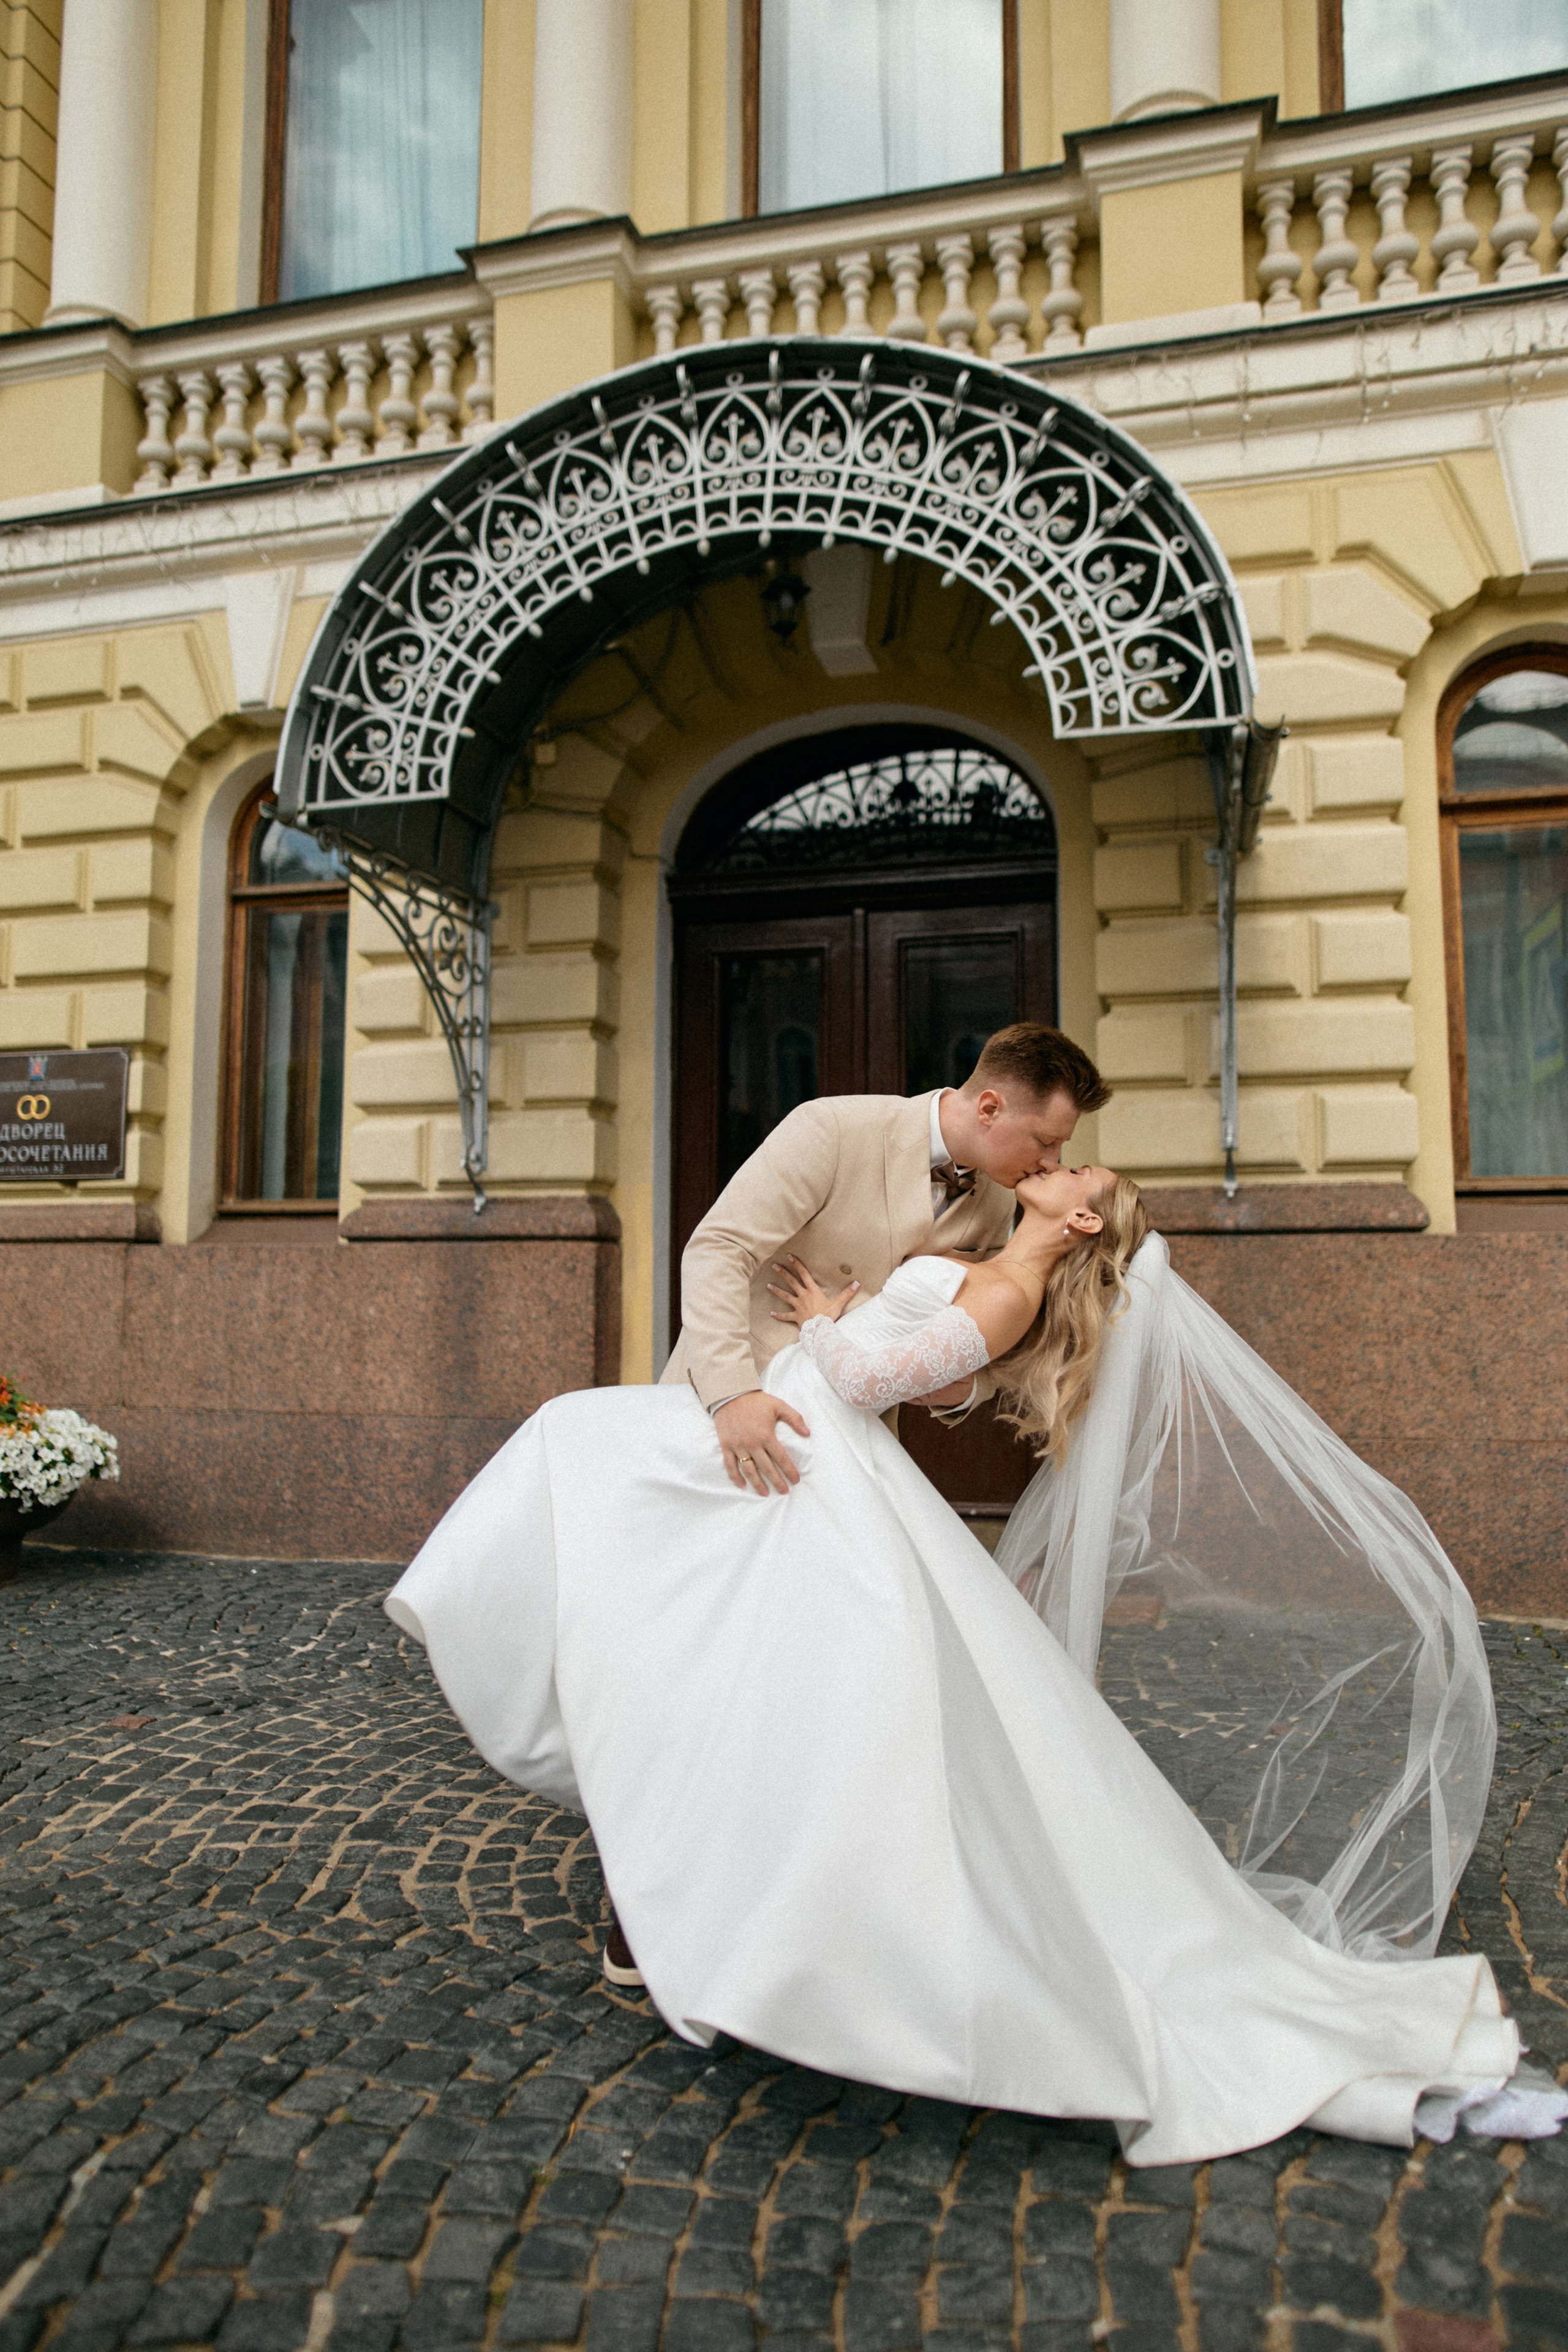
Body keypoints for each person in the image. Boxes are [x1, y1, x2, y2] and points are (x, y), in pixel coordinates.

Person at [386, 1150, 1567, 2166]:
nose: (1058, 1165)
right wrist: (864, 1311)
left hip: (818, 1458)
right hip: (812, 1461)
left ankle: (728, 1909)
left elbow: (869, 1382)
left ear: (1086, 1222)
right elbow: (936, 1374)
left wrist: (829, 1325)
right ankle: (668, 1865)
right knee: (672, 1587)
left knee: (611, 1496)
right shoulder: (990, 1264)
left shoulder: (1011, 1285)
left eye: (1077, 1174)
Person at [662, 1022, 1109, 1496]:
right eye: (1045, 1141)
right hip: (727, 1409)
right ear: (990, 1108)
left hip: (845, 1442)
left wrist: (970, 1388)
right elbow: (719, 1248)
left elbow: (985, 1322)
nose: (1053, 1162)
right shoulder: (832, 1128)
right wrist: (733, 1395)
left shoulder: (1000, 1198)